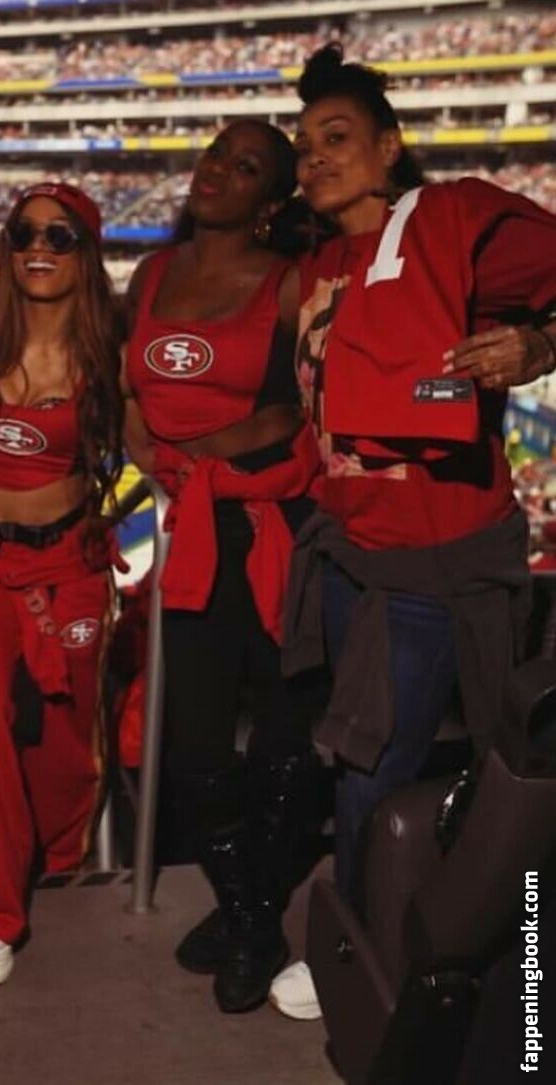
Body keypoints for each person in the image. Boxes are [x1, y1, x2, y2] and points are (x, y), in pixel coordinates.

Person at [270, 43, 556, 1020]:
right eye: (304, 144)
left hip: (434, 560)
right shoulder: (314, 263)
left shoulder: (453, 218)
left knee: (381, 763)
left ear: (390, 147)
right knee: (365, 759)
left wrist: (539, 343)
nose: (315, 155)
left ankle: (371, 949)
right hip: (349, 551)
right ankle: (404, 939)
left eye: (337, 137)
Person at [123, 120, 324, 1014]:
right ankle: (253, 914)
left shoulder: (288, 284)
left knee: (282, 734)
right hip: (188, 524)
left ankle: (250, 917)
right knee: (196, 741)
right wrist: (151, 457)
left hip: (269, 522)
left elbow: (292, 411)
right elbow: (129, 390)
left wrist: (197, 454)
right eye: (216, 154)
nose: (218, 172)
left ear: (270, 201)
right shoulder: (152, 274)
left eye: (245, 167)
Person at [0, 182, 123, 985]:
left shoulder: (111, 355)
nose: (40, 247)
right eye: (24, 234)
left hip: (71, 567)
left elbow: (158, 446)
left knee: (65, 742)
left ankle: (55, 859)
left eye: (60, 235)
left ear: (88, 254)